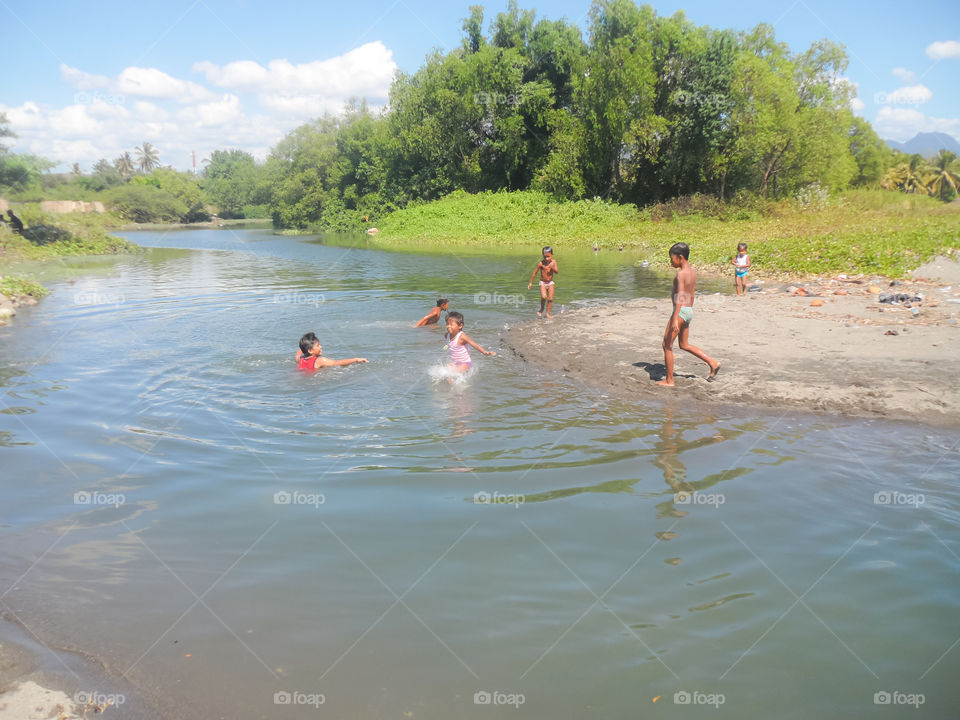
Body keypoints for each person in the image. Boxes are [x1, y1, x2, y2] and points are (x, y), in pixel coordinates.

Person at [657, 242, 720, 387]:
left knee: (666, 345)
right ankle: (713, 363)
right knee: (684, 345)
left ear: (680, 257)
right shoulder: (692, 271)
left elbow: (680, 296)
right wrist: (687, 312)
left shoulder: (681, 274)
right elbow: (690, 293)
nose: (671, 261)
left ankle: (669, 380)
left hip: (680, 312)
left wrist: (675, 319)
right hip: (688, 310)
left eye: (671, 258)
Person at [296, 333, 367, 371]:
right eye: (318, 345)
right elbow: (338, 363)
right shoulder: (320, 361)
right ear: (310, 350)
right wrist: (355, 359)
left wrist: (303, 347)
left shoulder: (301, 358)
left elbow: (297, 355)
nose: (321, 347)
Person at [527, 246, 559, 318]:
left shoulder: (554, 262)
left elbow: (557, 272)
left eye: (548, 256)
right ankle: (542, 308)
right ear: (542, 256)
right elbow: (534, 272)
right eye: (545, 257)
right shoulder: (541, 263)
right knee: (544, 297)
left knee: (550, 299)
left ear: (552, 255)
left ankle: (547, 314)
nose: (546, 259)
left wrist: (552, 267)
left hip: (550, 282)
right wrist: (530, 282)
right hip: (543, 283)